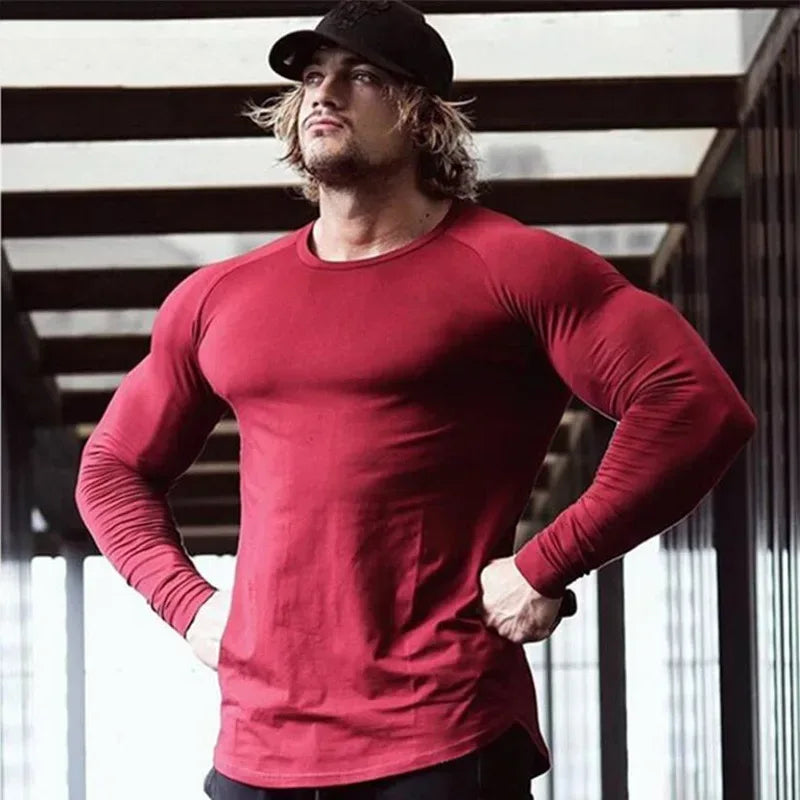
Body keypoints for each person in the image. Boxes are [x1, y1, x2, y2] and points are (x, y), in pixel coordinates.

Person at [73, 1, 757, 798]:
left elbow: (693, 404)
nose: (325, 94)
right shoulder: (217, 297)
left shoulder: (516, 268)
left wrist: (547, 563)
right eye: (312, 77)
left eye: (362, 75)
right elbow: (112, 467)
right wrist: (186, 603)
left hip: (443, 736)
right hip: (256, 750)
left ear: (425, 115)